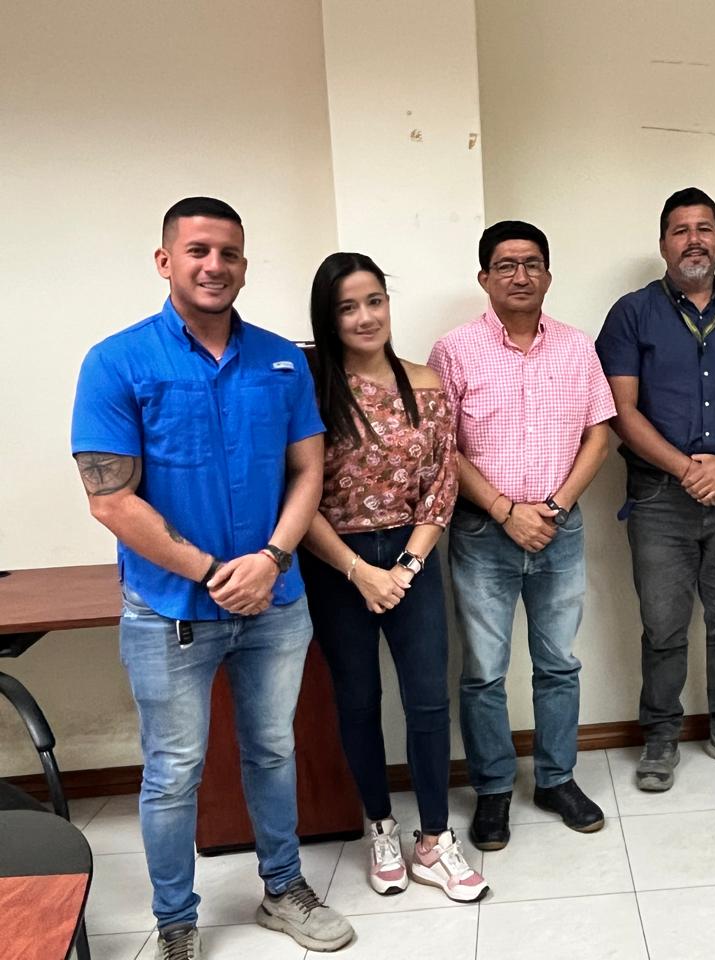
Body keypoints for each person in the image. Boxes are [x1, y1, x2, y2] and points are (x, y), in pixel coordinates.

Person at [70, 197, 353, 958]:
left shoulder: (281, 360)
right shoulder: (117, 361)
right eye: (197, 250)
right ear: (165, 261)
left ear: (244, 266)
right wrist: (215, 572)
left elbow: (308, 470)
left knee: (273, 752)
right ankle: (176, 922)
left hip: (275, 603)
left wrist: (271, 560)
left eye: (229, 252)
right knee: (173, 772)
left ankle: (283, 888)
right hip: (169, 610)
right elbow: (109, 498)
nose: (214, 265)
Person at [297, 252, 488, 902]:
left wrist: (405, 567)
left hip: (411, 558)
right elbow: (298, 492)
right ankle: (381, 826)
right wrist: (359, 572)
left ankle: (434, 838)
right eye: (347, 307)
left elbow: (442, 480)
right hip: (335, 563)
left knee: (428, 701)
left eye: (374, 301)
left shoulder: (426, 383)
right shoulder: (311, 389)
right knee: (357, 700)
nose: (364, 317)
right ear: (328, 317)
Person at [428, 220, 615, 851]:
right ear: (484, 277)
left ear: (548, 276)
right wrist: (507, 511)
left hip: (560, 529)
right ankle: (493, 789)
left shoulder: (577, 347)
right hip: (484, 532)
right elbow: (443, 447)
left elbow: (598, 435)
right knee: (484, 671)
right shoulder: (454, 351)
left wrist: (555, 506)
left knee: (559, 663)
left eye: (532, 264)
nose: (520, 275)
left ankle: (557, 779)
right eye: (506, 265)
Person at [596, 187, 715, 792]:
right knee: (664, 626)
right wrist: (688, 469)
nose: (693, 240)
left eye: (704, 228)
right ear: (663, 244)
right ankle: (660, 737)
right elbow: (620, 410)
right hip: (658, 498)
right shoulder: (631, 313)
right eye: (680, 230)